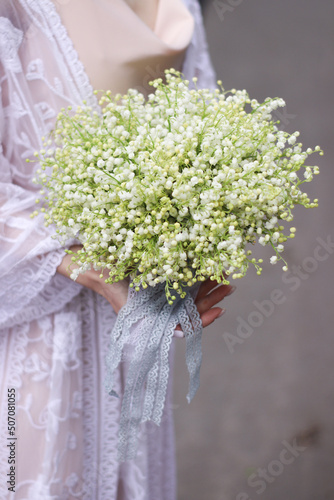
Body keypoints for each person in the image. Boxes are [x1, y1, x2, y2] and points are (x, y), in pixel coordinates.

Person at [0, 1, 234, 498]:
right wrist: (93, 269)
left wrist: (187, 247)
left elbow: (201, 125)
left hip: (131, 335)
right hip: (31, 335)